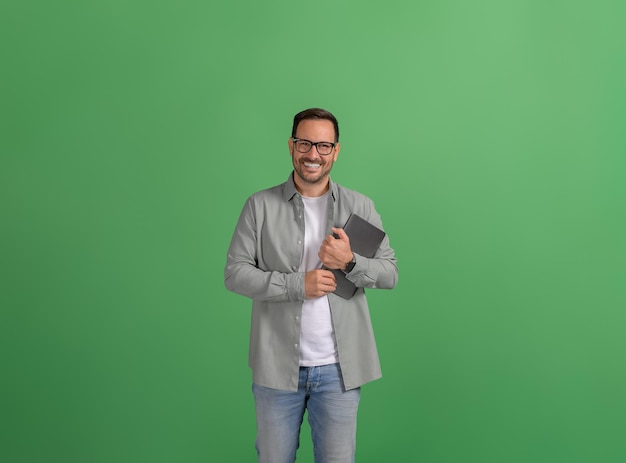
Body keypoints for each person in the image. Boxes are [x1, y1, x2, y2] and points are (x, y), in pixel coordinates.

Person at [224, 108, 398, 463]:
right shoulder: (259, 206)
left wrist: (350, 261)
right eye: (305, 143)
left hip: (339, 370)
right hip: (276, 368)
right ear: (291, 145)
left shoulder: (360, 205)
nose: (312, 154)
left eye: (322, 145)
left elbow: (390, 273)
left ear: (336, 150)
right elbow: (235, 273)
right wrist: (296, 285)